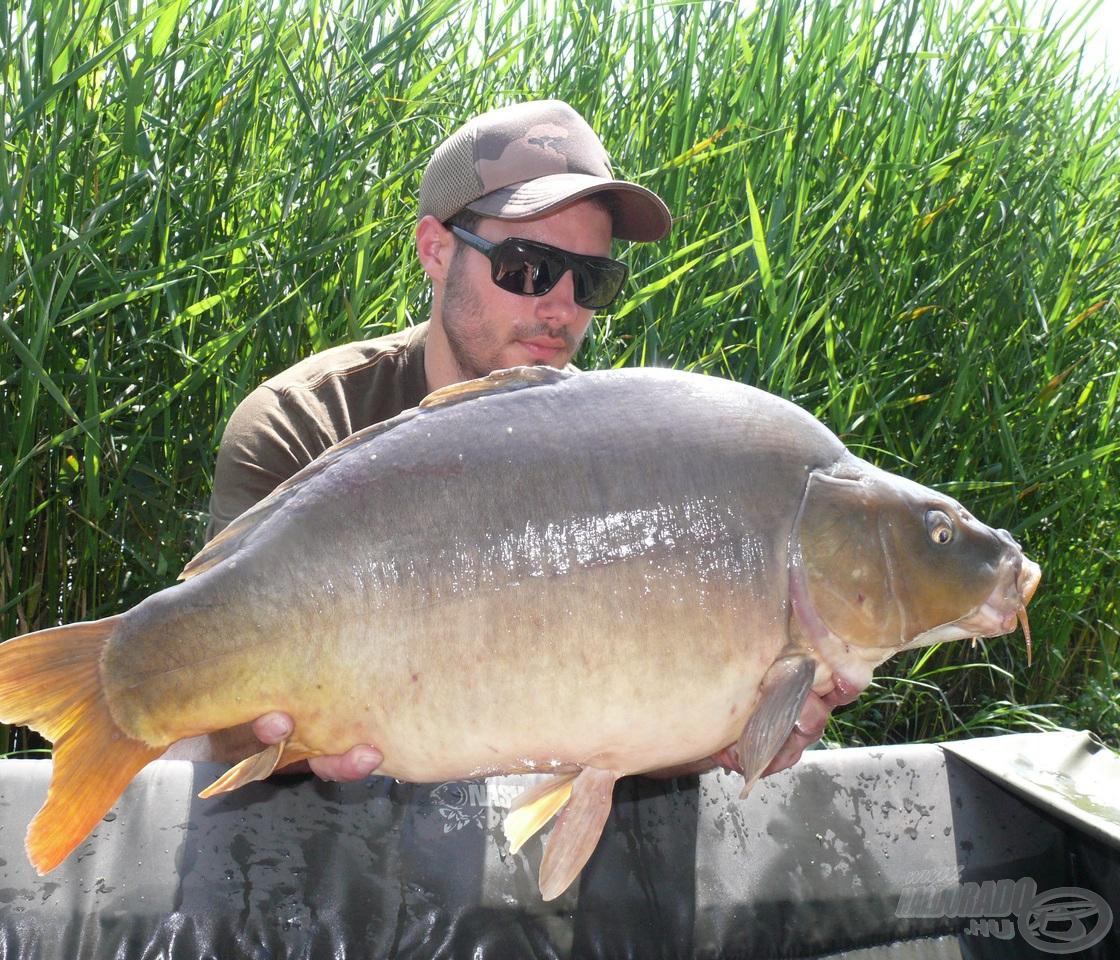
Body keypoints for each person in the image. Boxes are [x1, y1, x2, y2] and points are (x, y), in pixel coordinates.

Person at [165, 100, 850, 780]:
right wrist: (274, 743)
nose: (559, 308)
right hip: (320, 834)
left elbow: (613, 718)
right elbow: (214, 702)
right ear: (436, 250)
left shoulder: (620, 463)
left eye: (591, 281)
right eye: (526, 267)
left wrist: (728, 736)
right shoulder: (302, 423)